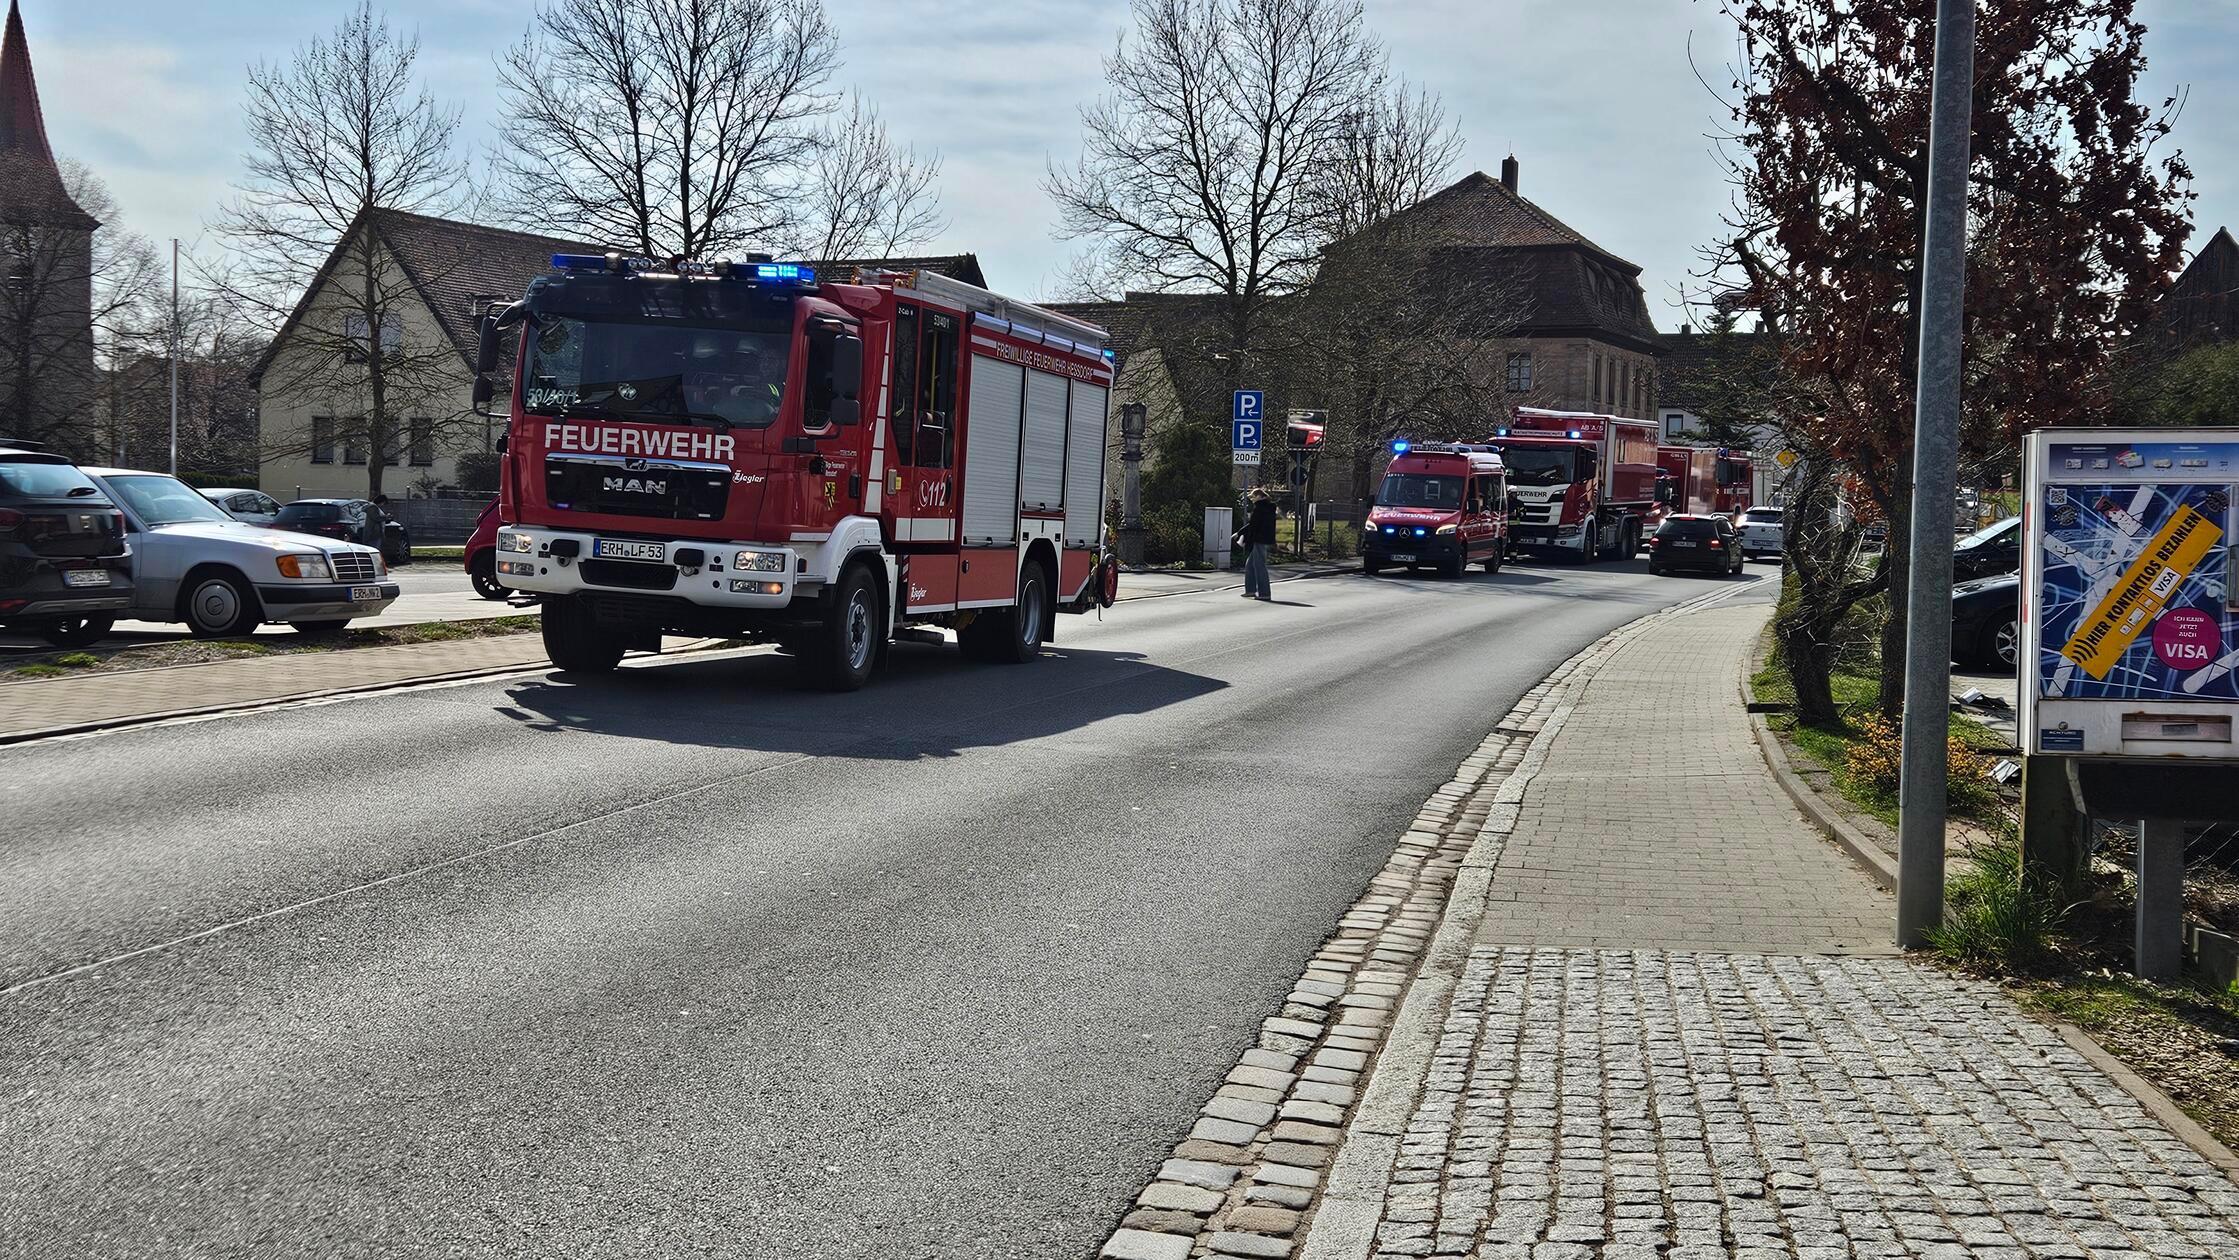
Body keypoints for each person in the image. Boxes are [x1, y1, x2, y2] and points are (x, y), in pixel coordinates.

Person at [1241, 486, 1278, 601]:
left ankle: (1264, 593)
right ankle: (1251, 590)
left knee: (1259, 566)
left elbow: (1253, 525)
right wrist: (1240, 533)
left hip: (1259, 539)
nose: (1252, 499)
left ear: (1259, 496)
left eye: (1253, 497)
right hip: (1265, 539)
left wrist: (1243, 536)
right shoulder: (1268, 508)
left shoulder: (1259, 508)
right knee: (1250, 564)